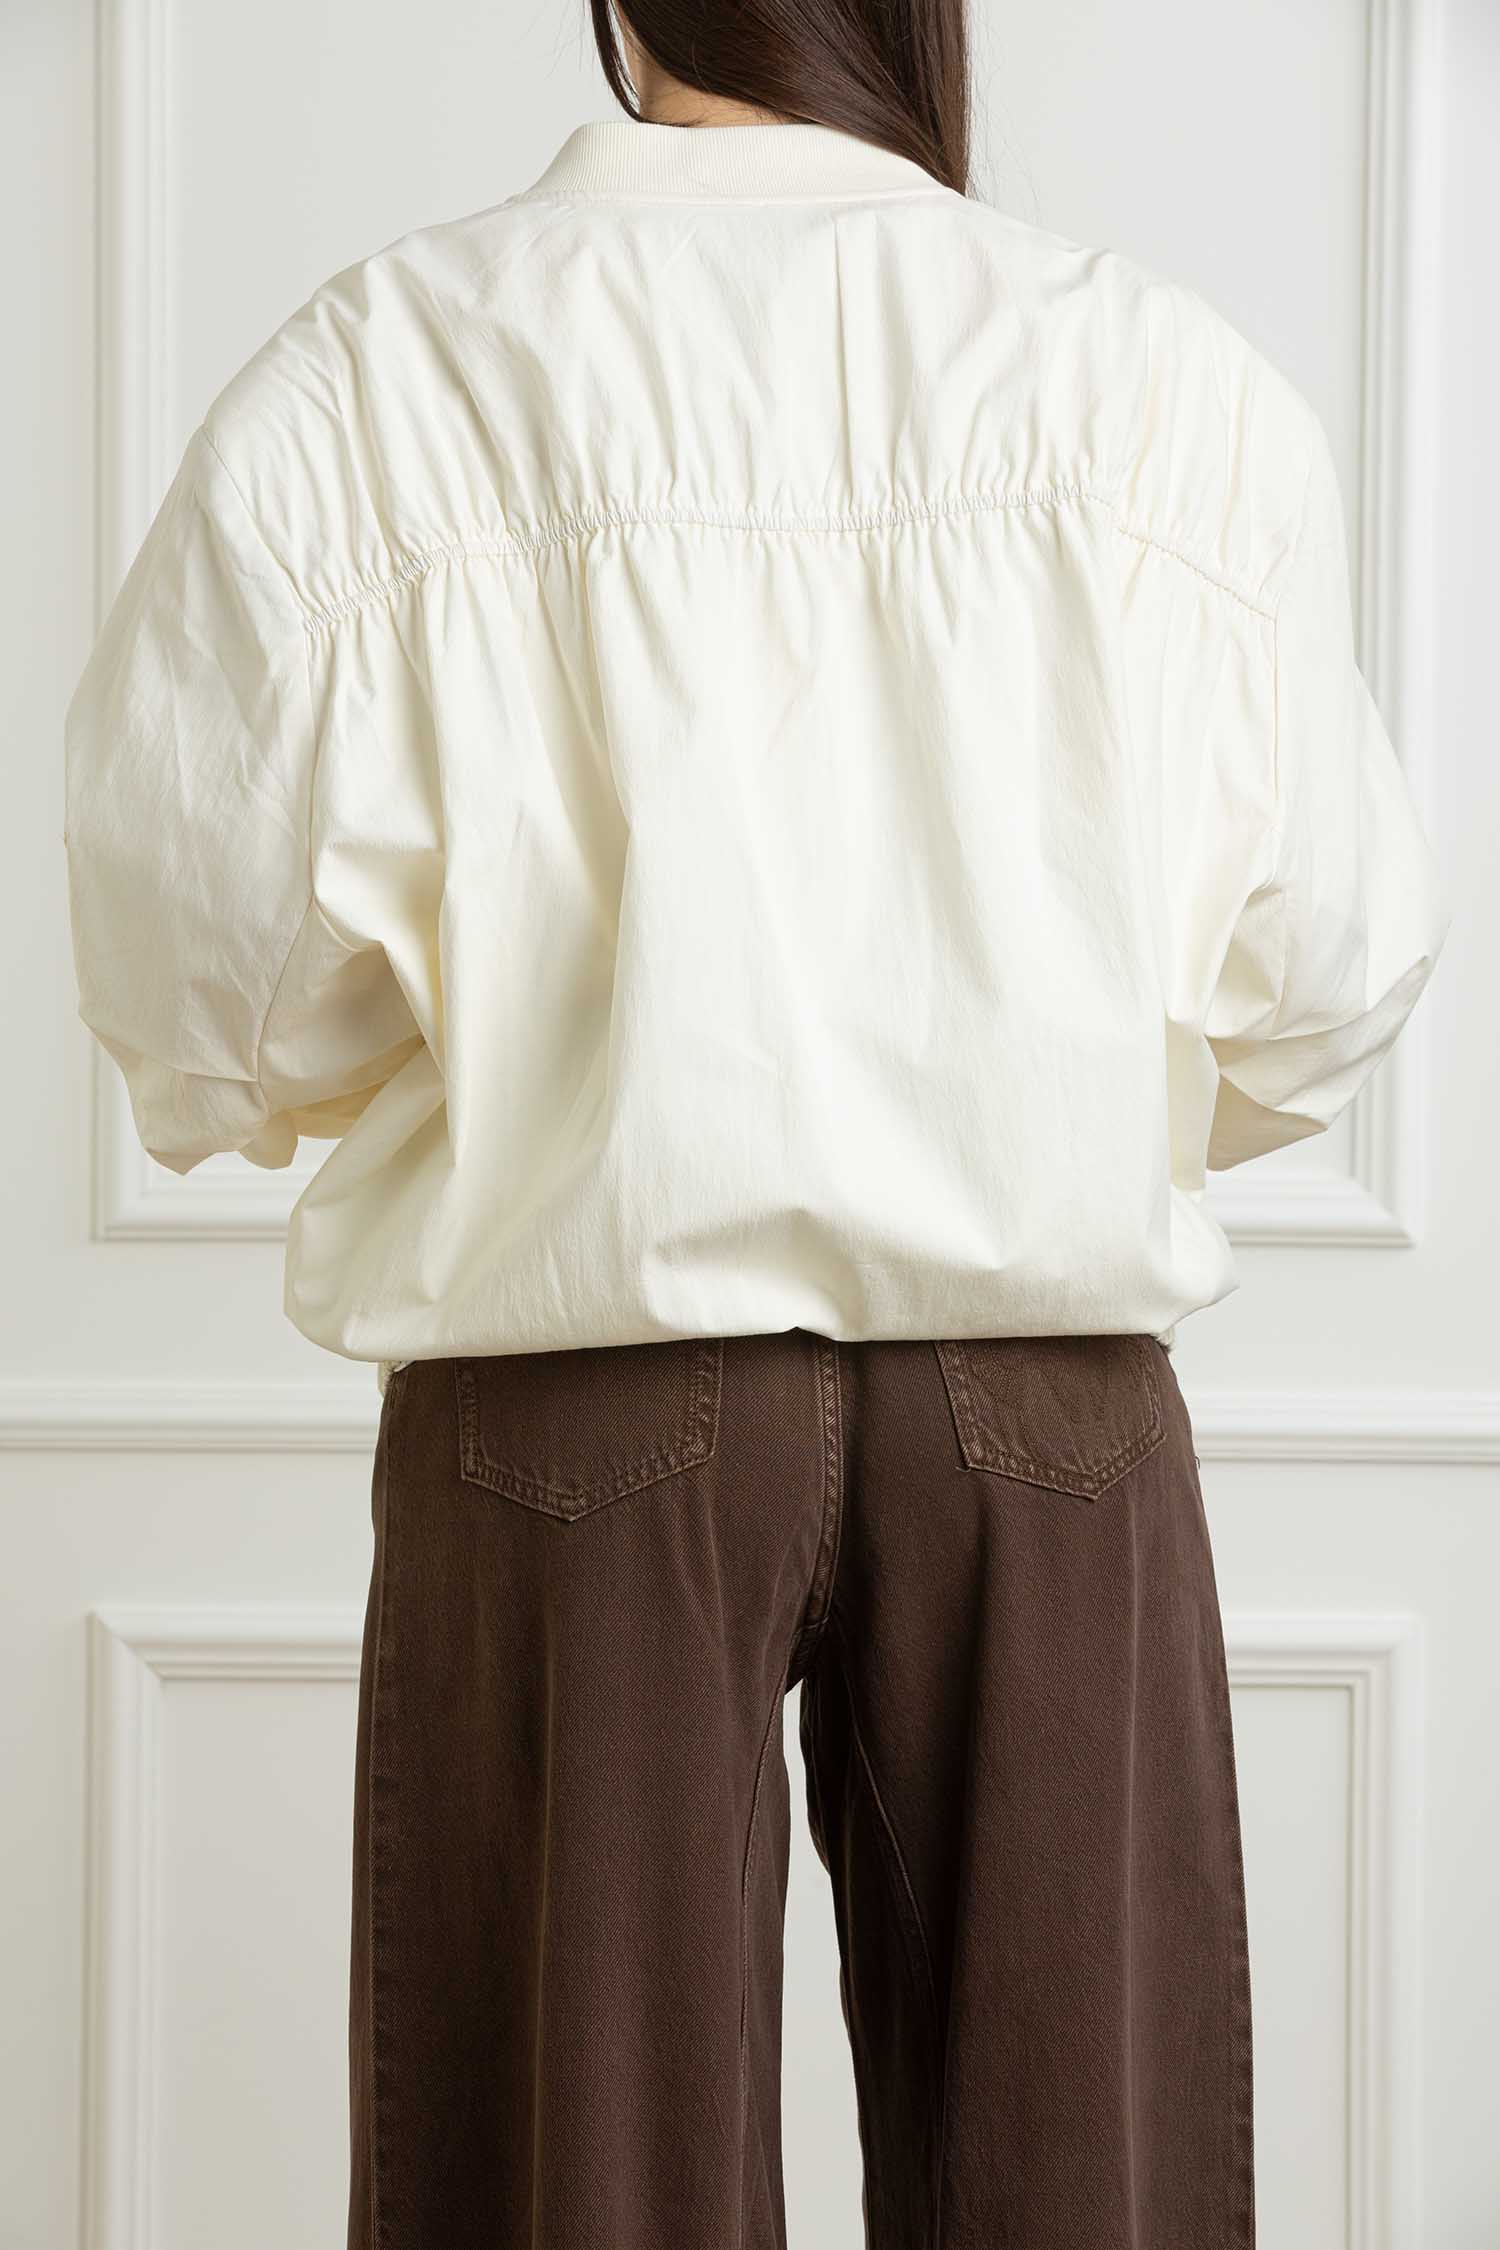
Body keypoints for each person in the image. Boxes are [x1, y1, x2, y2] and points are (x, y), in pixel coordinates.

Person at [61, 0, 1447, 2243]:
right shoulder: (1149, 381)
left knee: (562, 2197)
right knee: (1082, 2192)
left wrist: (484, 1019)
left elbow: (190, 975)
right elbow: (1326, 975)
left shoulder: (391, 377)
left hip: (573, 1389)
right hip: (1043, 1404)